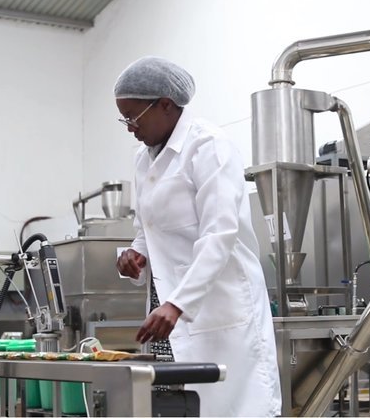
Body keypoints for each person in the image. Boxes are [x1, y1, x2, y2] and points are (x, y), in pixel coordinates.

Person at [113, 56, 282, 416]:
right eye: (123, 119)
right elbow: (147, 228)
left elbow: (219, 234)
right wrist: (134, 252)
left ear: (165, 105)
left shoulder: (209, 147)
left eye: (133, 117)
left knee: (233, 406)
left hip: (218, 311)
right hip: (169, 317)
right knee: (178, 406)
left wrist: (177, 304)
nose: (129, 128)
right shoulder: (143, 159)